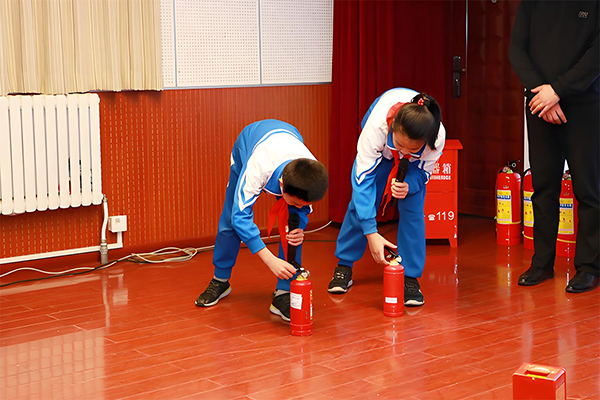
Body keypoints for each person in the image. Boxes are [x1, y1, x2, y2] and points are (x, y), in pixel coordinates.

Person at [195, 119, 328, 321]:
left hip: (289, 136)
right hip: (248, 143)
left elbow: (301, 210)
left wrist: (299, 227)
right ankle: (220, 279)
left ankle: (283, 292)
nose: (299, 206)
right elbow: (240, 216)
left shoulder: (312, 170)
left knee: (293, 231)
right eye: (295, 202)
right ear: (281, 185)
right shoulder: (258, 167)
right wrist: (269, 259)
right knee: (230, 220)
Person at [509, 1, 599, 292]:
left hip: (585, 104)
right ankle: (542, 263)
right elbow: (517, 49)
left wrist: (558, 90)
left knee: (589, 189)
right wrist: (542, 94)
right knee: (544, 186)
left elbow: (596, 53)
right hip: (538, 103)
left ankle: (589, 267)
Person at [327, 88, 445, 306]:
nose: (404, 152)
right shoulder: (377, 126)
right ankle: (344, 264)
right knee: (362, 203)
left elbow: (423, 173)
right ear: (392, 129)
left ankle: (410, 277)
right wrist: (370, 232)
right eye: (399, 145)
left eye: (412, 148)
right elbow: (362, 180)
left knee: (413, 210)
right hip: (381, 151)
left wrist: (409, 185)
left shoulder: (436, 138)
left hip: (413, 165)